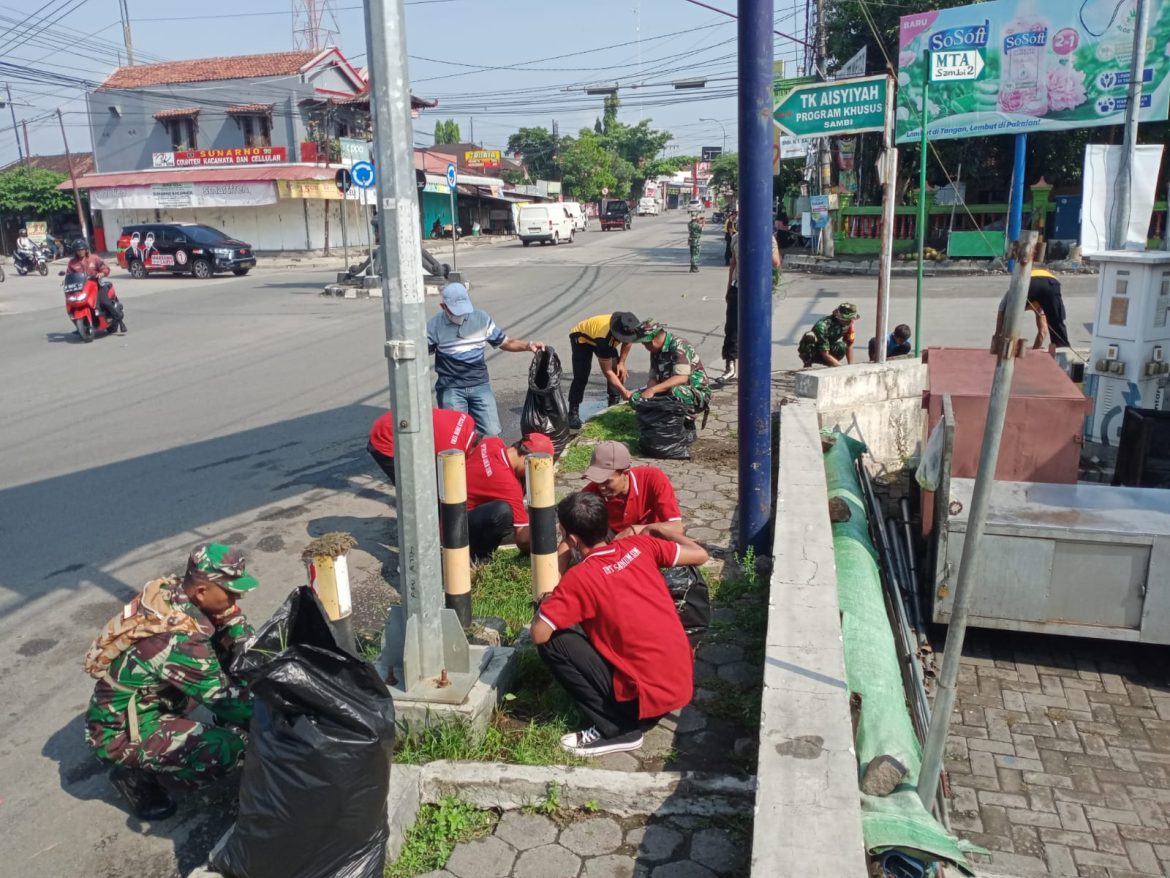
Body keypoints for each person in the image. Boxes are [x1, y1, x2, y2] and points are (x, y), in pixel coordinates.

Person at [84, 543, 258, 820]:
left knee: (236, 657)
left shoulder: (179, 591)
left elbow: (232, 619)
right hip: (120, 730)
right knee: (225, 749)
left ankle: (180, 731)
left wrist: (243, 645)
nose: (237, 597)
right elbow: (225, 699)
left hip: (158, 697)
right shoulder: (177, 639)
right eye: (231, 591)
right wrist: (283, 724)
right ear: (202, 591)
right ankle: (137, 777)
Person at [531, 492, 709, 756]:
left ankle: (615, 728)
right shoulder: (640, 546)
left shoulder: (580, 579)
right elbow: (700, 554)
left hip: (642, 702)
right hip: (679, 686)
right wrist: (661, 530)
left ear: (572, 539)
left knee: (555, 643)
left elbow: (538, 633)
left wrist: (547, 601)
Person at [426, 282, 545, 437]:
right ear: (444, 307)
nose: (461, 314)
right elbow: (421, 354)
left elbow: (505, 342)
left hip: (479, 385)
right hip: (451, 388)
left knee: (491, 432)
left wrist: (528, 345)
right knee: (455, 436)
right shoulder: (435, 325)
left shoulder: (481, 319)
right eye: (455, 311)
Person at [464, 431, 555, 561]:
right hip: (457, 530)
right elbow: (522, 540)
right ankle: (479, 558)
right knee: (503, 511)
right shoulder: (509, 486)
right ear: (529, 461)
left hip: (449, 510)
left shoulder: (492, 442)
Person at [610, 315, 711, 416]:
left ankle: (686, 419)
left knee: (678, 392)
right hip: (667, 389)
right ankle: (660, 415)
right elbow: (653, 378)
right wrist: (648, 395)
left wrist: (653, 390)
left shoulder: (679, 346)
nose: (645, 347)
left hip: (692, 391)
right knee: (635, 398)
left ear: (652, 341)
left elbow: (681, 378)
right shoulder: (655, 351)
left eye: (645, 344)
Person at [721, 228, 781, 381]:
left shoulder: (764, 238)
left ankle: (744, 366)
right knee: (735, 328)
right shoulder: (742, 237)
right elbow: (733, 264)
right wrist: (728, 288)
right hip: (745, 289)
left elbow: (776, 263)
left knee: (746, 329)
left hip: (752, 290)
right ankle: (733, 366)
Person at [367, 407, 478, 485]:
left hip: (398, 419)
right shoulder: (449, 449)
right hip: (384, 439)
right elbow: (445, 481)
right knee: (409, 485)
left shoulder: (467, 419)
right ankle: (412, 515)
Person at [567, 313, 634, 429]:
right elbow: (607, 371)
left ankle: (613, 406)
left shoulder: (629, 325)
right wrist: (624, 391)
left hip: (601, 336)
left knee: (616, 367)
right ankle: (573, 412)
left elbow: (628, 342)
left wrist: (622, 363)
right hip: (581, 338)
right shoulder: (605, 339)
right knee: (581, 375)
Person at [995, 268, 1070, 349]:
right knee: (1056, 320)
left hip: (1029, 281)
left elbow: (1001, 316)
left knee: (1009, 319)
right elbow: (1043, 331)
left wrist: (997, 335)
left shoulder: (1008, 296)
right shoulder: (1041, 305)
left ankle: (1006, 349)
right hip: (1051, 283)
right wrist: (1035, 349)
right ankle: (1062, 349)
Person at [67, 239, 125, 333]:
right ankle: (80, 326)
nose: (80, 251)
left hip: (97, 285)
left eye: (82, 249)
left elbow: (105, 268)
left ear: (86, 249)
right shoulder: (72, 263)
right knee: (73, 304)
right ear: (75, 251)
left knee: (105, 302)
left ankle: (119, 320)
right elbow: (69, 274)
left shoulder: (94, 258)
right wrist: (65, 280)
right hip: (82, 288)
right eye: (78, 250)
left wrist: (102, 273)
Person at [798, 303, 859, 368]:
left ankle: (831, 365)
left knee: (842, 346)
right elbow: (825, 353)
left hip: (828, 348)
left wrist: (851, 366)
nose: (851, 321)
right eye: (848, 319)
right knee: (809, 336)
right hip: (816, 351)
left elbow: (849, 343)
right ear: (840, 317)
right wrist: (841, 368)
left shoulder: (848, 323)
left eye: (851, 319)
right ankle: (808, 365)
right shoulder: (822, 326)